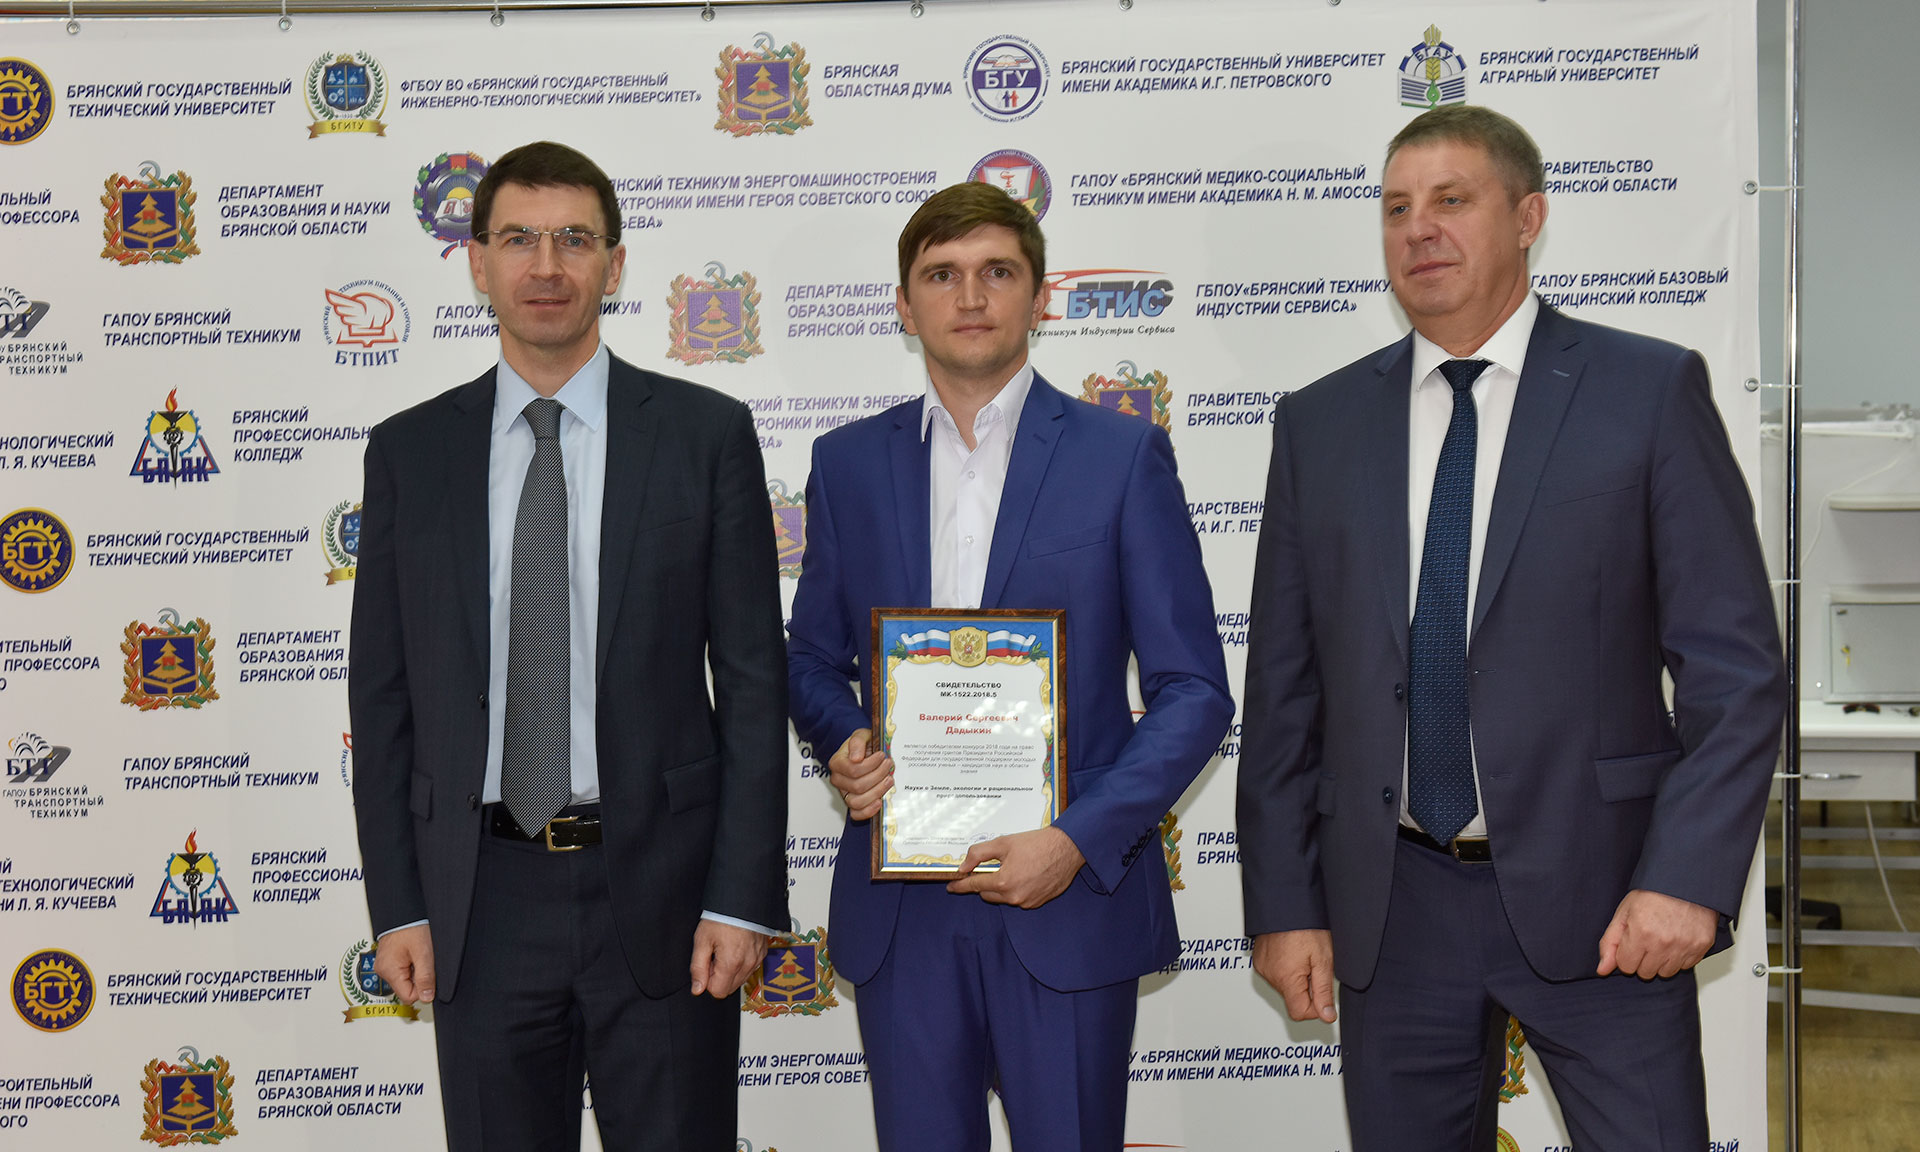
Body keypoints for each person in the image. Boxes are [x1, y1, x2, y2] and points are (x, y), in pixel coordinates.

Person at [1236, 104, 1786, 1150]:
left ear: (1528, 218)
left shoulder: (1647, 390)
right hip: (1394, 910)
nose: (1419, 229)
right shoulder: (1320, 422)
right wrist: (1285, 902)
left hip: (1611, 900)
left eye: (1452, 200)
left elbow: (1736, 670)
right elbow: (1284, 695)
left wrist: (1685, 879)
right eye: (1397, 208)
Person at [349, 140, 788, 1152]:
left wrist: (740, 898)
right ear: (477, 262)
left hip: (667, 895)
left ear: (615, 264)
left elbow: (753, 684)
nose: (546, 266)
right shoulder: (410, 451)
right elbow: (384, 696)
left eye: (574, 240)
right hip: (479, 901)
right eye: (518, 239)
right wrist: (400, 906)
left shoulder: (703, 435)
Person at [786, 182, 1234, 1151]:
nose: (970, 295)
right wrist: (845, 738)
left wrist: (1076, 839)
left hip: (1065, 894)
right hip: (903, 902)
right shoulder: (846, 464)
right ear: (904, 306)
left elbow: (1195, 692)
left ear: (1040, 298)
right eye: (941, 275)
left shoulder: (1124, 456)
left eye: (997, 271)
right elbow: (812, 657)